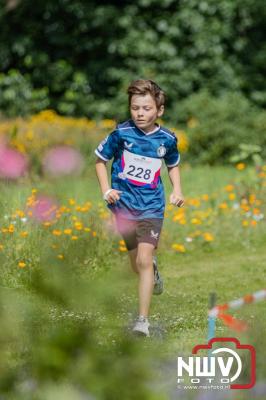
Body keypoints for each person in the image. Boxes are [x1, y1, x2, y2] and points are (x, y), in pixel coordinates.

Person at [95, 79, 184, 337]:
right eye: (135, 108)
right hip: (123, 208)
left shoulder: (167, 139)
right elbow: (100, 161)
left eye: (146, 108)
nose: (140, 113)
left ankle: (142, 321)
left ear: (160, 110)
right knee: (137, 265)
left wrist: (177, 190)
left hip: (151, 208)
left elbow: (173, 164)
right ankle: (153, 271)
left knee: (144, 259)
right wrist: (106, 190)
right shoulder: (121, 133)